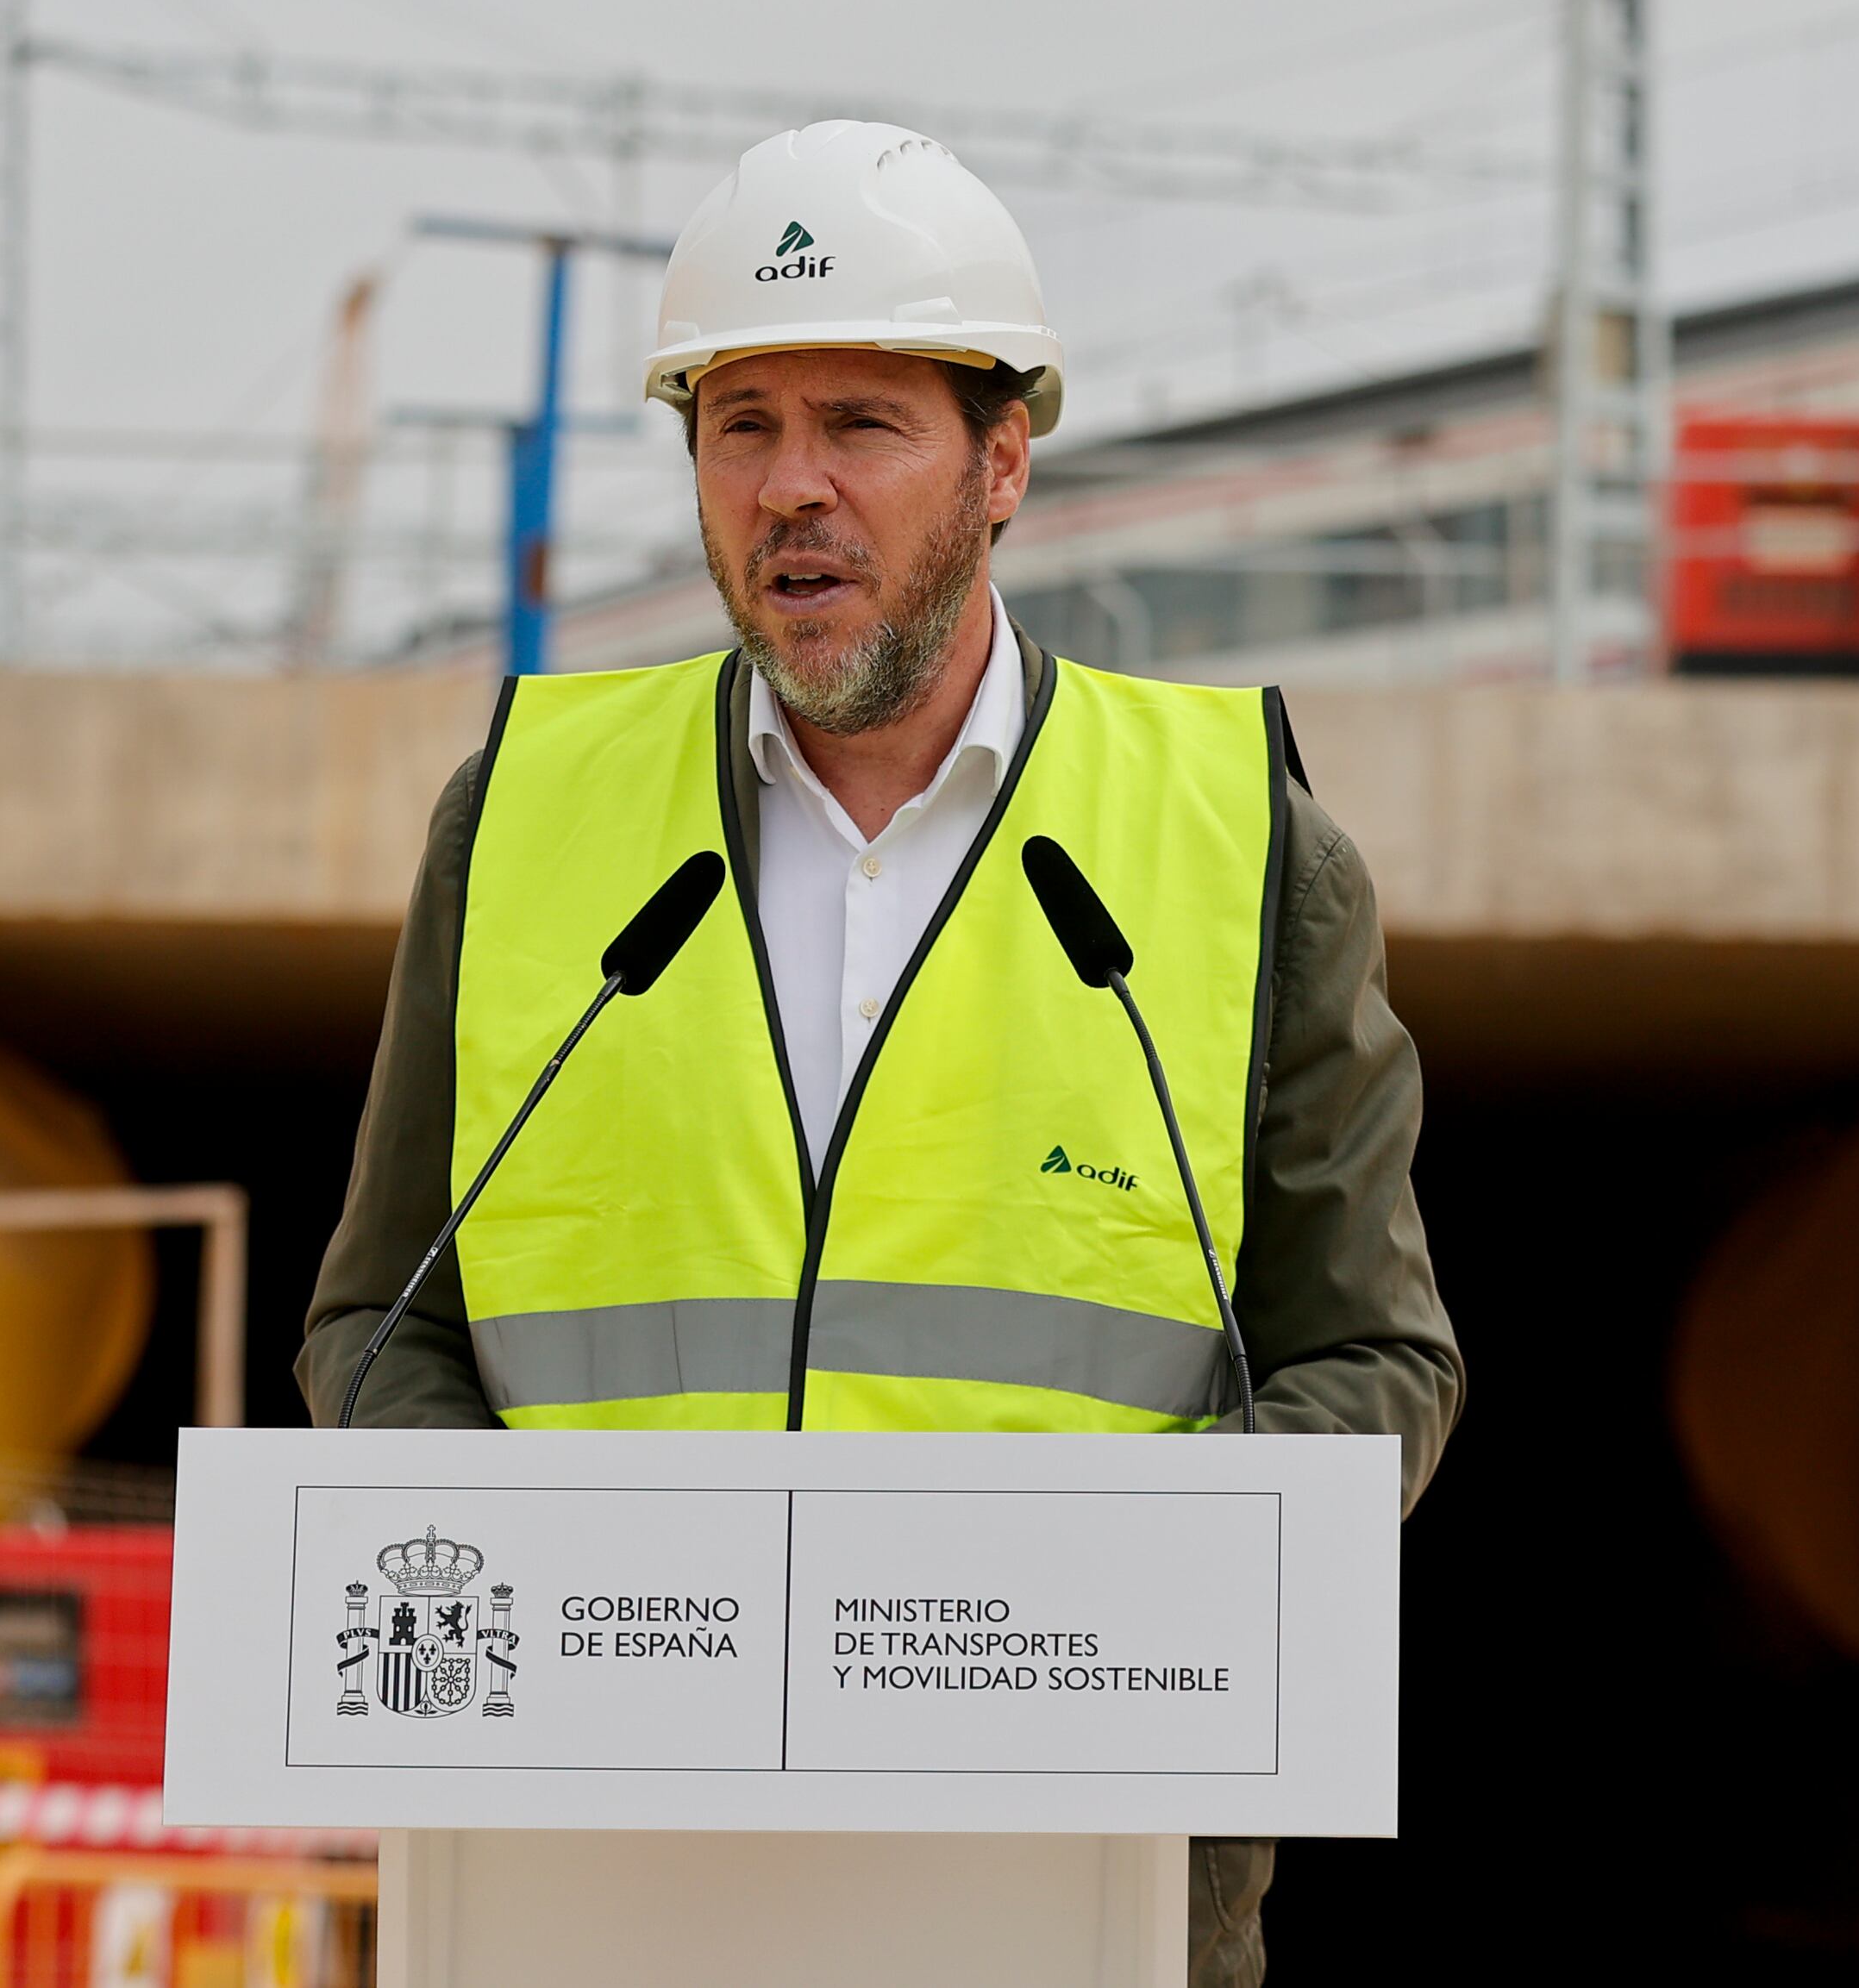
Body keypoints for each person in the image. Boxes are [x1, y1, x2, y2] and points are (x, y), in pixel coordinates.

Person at [300, 119, 1463, 1988]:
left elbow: (1378, 1359)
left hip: (1080, 1878)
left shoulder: (1239, 848)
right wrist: (573, 1611)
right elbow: (376, 1323)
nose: (791, 488)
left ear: (1003, 460)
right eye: (741, 423)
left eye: (862, 423)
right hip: (599, 1879)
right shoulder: (518, 821)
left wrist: (1061, 1620)